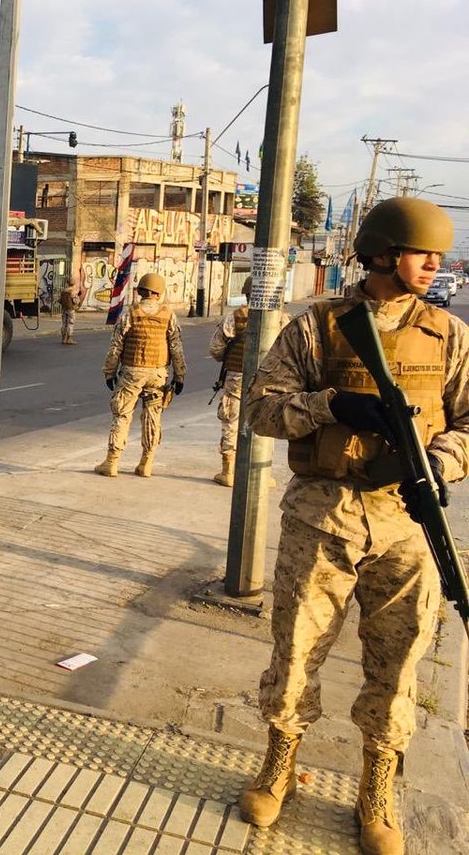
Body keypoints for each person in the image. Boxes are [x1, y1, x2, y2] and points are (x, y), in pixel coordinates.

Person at [238, 197, 466, 855]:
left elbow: (468, 422)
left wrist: (439, 464)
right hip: (322, 518)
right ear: (384, 254)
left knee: (398, 664)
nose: (435, 264)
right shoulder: (317, 328)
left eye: (437, 255)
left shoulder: (449, 336)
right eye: (422, 253)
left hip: (406, 525)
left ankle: (376, 788)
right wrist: (331, 405)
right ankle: (279, 766)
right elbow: (261, 409)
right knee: (296, 653)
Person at [94, 273, 185, 478]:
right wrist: (180, 376)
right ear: (158, 293)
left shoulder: (130, 313)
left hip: (132, 372)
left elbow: (116, 346)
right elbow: (176, 347)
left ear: (141, 291)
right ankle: (146, 463)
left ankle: (111, 462)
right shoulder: (168, 314)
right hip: (158, 374)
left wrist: (109, 372)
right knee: (153, 416)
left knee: (122, 414)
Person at [208, 276, 253, 485]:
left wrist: (228, 357)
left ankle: (228, 471)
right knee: (263, 420)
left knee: (231, 419)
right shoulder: (279, 318)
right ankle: (259, 472)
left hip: (237, 376)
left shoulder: (236, 317)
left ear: (246, 293)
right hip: (268, 378)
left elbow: (216, 348)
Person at [59, 276, 83, 345]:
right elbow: (76, 301)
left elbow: (59, 300)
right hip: (71, 309)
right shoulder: (73, 291)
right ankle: (68, 339)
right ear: (74, 283)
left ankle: (63, 339)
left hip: (64, 309)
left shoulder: (63, 291)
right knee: (70, 323)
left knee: (64, 323)